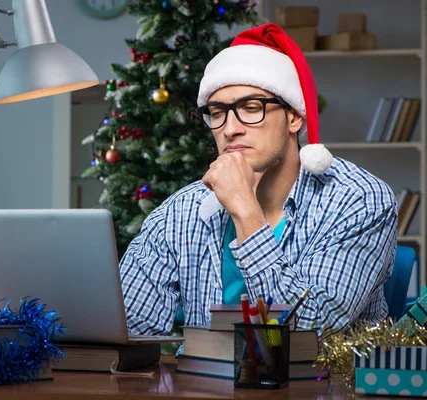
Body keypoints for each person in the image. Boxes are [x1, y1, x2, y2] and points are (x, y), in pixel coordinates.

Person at [119, 23, 397, 339]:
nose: (230, 128)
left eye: (251, 108)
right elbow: (129, 327)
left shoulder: (358, 199)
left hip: (317, 386)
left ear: (294, 117)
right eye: (217, 112)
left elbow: (312, 330)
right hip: (203, 384)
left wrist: (245, 210)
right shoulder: (180, 212)